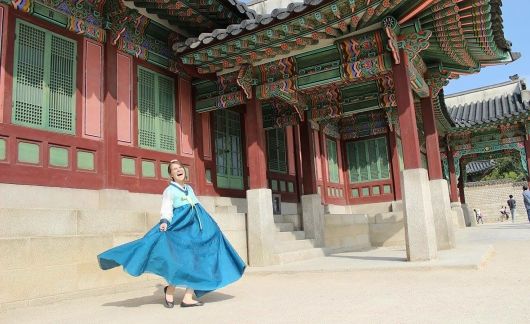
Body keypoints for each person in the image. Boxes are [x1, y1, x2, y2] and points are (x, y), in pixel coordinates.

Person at [98, 159, 246, 308]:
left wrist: (211, 226)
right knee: (181, 261)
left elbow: (197, 208)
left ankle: (188, 297)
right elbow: (167, 208)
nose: (178, 170)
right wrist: (164, 222)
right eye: (174, 169)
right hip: (182, 229)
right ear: (171, 175)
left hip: (198, 230)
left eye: (180, 167)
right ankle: (170, 289)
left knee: (199, 261)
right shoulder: (169, 191)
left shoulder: (189, 188)